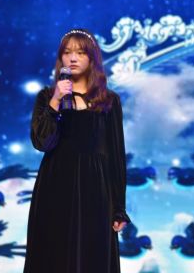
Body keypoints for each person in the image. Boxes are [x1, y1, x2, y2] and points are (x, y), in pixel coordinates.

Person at [24, 28, 130, 273]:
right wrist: (56, 101)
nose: (72, 58)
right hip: (55, 184)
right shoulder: (47, 96)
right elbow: (42, 142)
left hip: (96, 188)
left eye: (81, 53)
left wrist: (118, 207)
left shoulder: (109, 100)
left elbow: (116, 154)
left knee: (93, 255)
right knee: (54, 254)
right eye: (67, 52)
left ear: (92, 59)